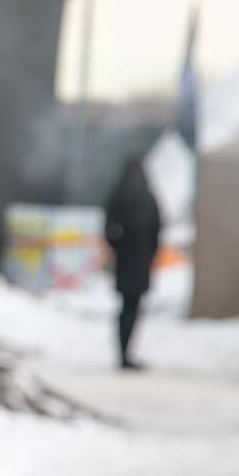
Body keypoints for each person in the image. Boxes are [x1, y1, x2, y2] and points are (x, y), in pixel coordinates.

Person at [104, 151, 162, 370]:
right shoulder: (148, 198)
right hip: (141, 263)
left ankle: (123, 353)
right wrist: (149, 255)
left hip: (125, 263)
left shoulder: (118, 195)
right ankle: (127, 354)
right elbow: (158, 230)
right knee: (133, 308)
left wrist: (119, 248)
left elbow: (109, 230)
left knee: (125, 308)